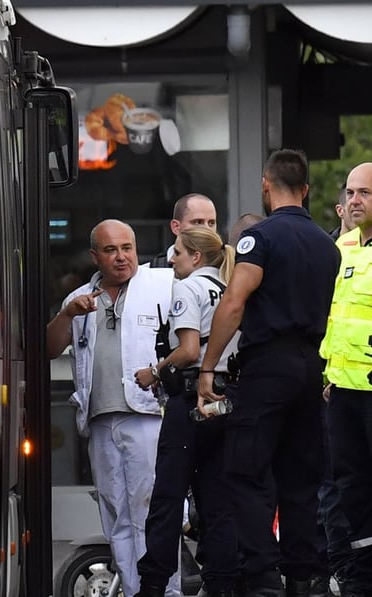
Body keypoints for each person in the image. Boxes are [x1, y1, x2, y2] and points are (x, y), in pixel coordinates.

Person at [198, 149, 339, 597]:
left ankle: (262, 578)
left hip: (267, 367)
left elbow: (234, 302)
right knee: (300, 480)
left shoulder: (259, 238)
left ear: (266, 185)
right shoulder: (327, 245)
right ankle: (301, 580)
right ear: (306, 189)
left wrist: (208, 367)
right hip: (310, 368)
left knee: (244, 471)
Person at [46, 219, 176, 597]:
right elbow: (48, 348)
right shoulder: (80, 298)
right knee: (116, 516)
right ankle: (135, 591)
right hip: (101, 421)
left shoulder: (161, 284)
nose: (121, 257)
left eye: (127, 248)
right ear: (94, 256)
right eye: (110, 250)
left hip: (148, 416)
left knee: (151, 512)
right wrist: (68, 314)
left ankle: (166, 592)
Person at [134, 226, 239, 597]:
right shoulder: (228, 290)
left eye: (177, 251)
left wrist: (154, 371)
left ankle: (153, 584)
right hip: (225, 399)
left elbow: (189, 350)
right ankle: (221, 582)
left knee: (168, 495)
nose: (171, 257)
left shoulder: (188, 288)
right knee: (217, 498)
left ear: (196, 257)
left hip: (191, 399)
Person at [318, 163, 372, 597]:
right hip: (341, 389)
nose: (354, 201)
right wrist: (328, 371)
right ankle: (365, 580)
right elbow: (334, 317)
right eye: (350, 193)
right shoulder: (342, 245)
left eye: (364, 192)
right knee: (351, 490)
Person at [149, 194, 218, 267]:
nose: (207, 229)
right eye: (198, 222)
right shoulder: (152, 270)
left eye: (211, 223)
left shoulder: (225, 266)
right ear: (176, 227)